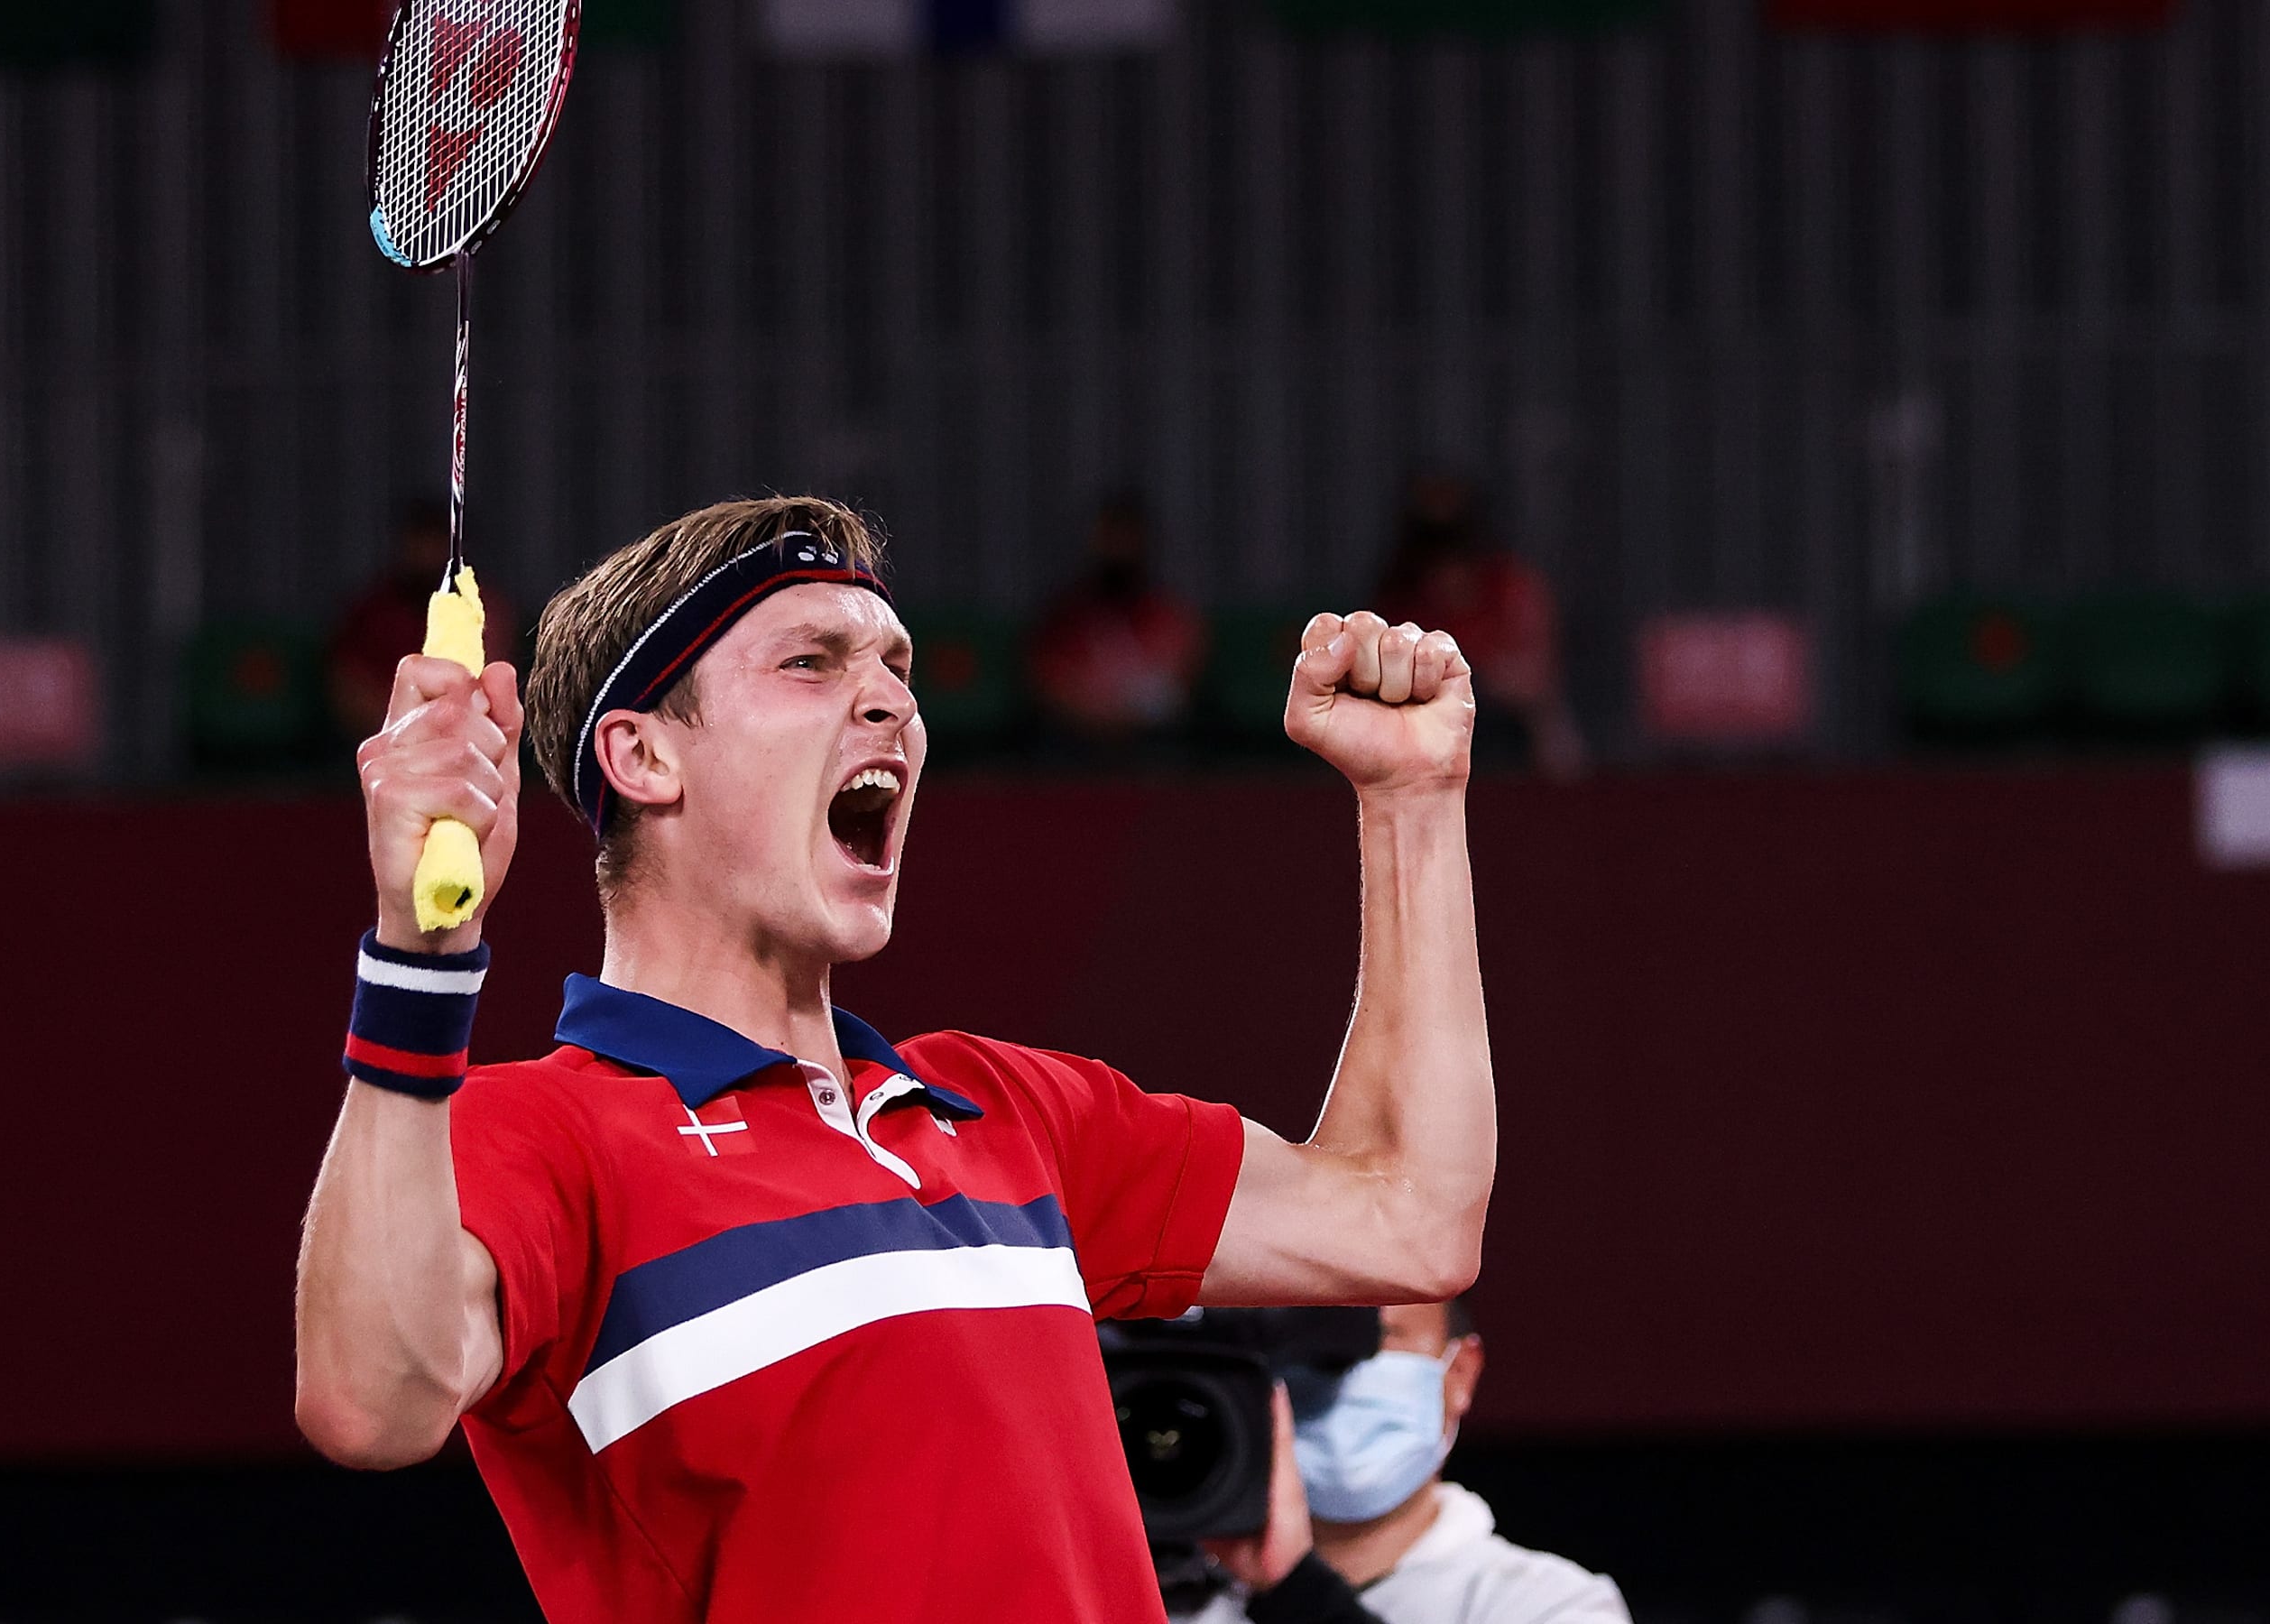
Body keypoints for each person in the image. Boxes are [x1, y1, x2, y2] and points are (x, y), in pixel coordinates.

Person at [292, 494, 1497, 1623]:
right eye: (812, 663)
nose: (891, 704)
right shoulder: (539, 1136)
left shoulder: (1010, 1111)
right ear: (644, 757)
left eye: (897, 670)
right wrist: (420, 958)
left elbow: (1405, 1220)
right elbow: (369, 1404)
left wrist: (1415, 802)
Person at [1173, 1301, 1632, 1624]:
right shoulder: (1163, 1598)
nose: (1341, 1374)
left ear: (1460, 1374)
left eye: (1380, 1341)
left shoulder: (1548, 1605)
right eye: (1315, 1347)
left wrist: (1295, 1592)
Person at [1370, 474, 1583, 782]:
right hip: (1425, 742)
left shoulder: (1511, 588)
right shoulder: (1398, 601)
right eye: (1433, 549)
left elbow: (1533, 681)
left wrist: (1469, 675)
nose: (1447, 567)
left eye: (1457, 547)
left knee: (1555, 738)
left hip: (1506, 735)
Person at [328, 499, 522, 740]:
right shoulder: (373, 610)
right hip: (384, 739)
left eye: (435, 542)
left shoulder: (483, 608)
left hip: (469, 737)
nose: (427, 552)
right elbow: (349, 688)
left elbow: (492, 684)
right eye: (420, 542)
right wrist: (404, 730)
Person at [1027, 492, 1206, 744]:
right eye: (1110, 537)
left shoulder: (1168, 615)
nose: (1119, 549)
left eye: (1127, 537)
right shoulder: (1065, 619)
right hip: (1077, 747)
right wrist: (1101, 719)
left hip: (1153, 747)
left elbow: (1183, 680)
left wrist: (1129, 717)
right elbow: (1048, 686)